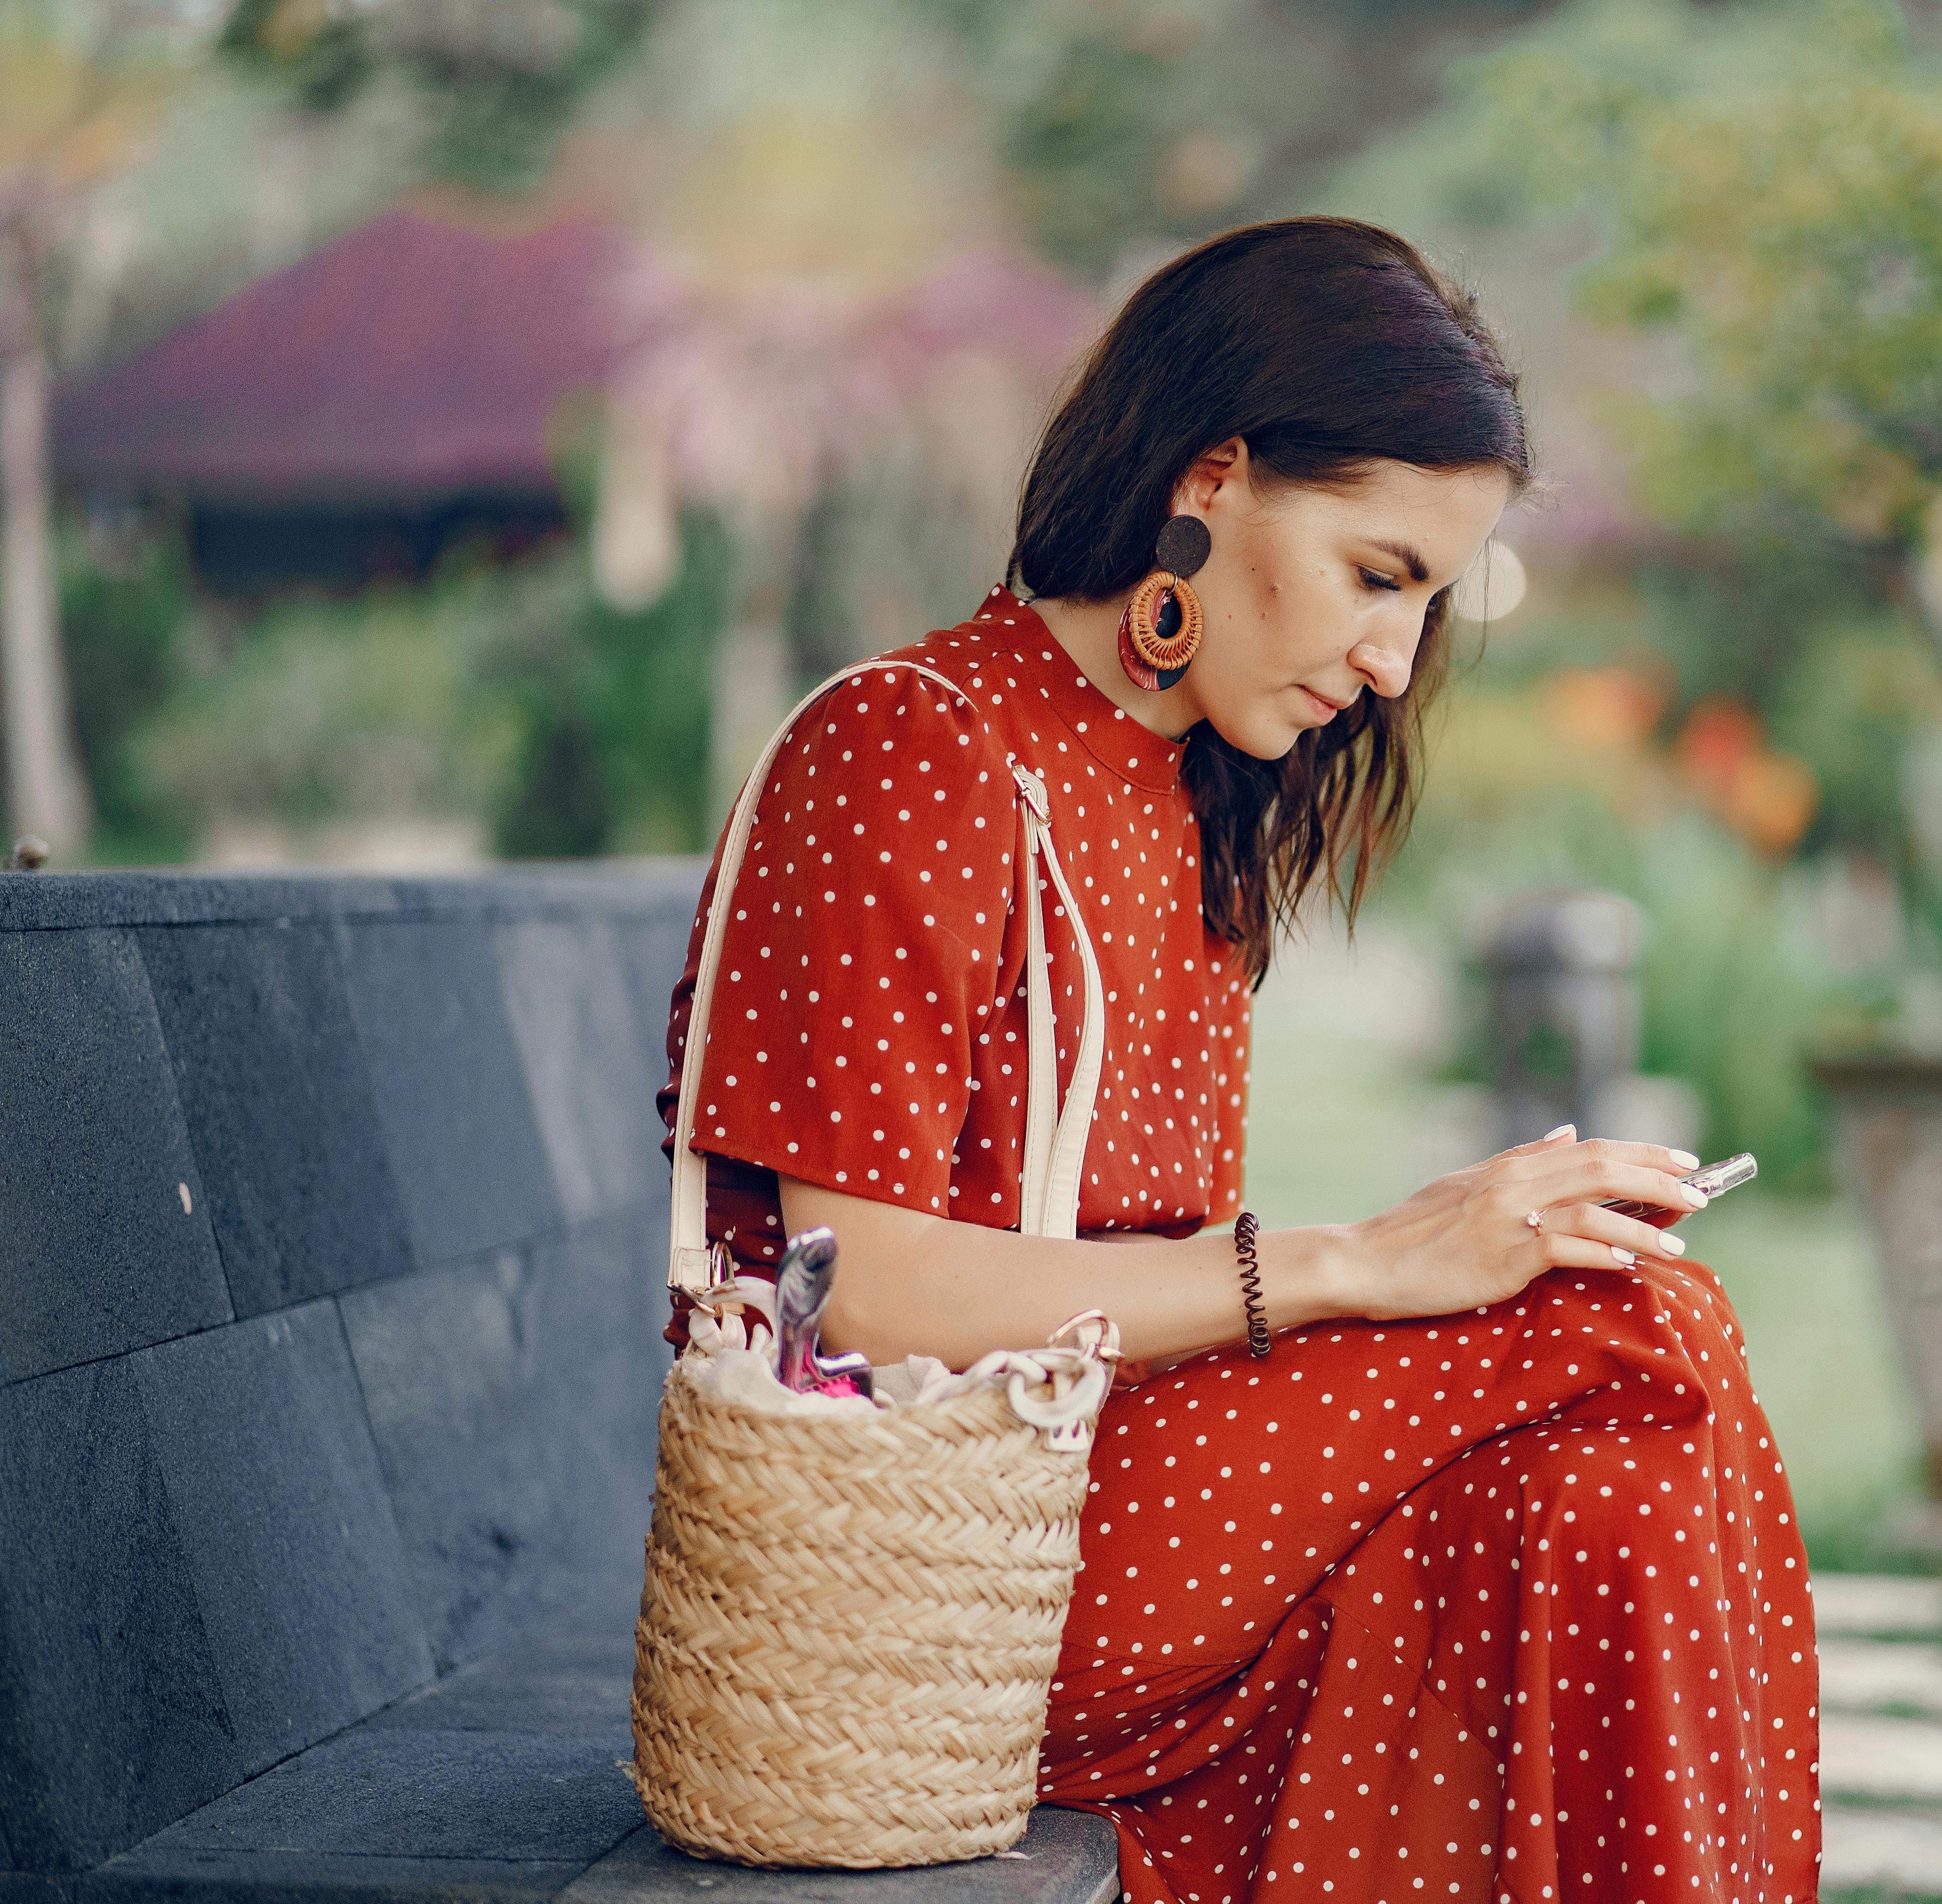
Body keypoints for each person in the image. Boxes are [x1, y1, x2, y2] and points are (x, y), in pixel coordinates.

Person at [656, 215, 1821, 1904]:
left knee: (1600, 1496)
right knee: (1632, 1327)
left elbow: (1160, 1280)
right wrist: (1353, 1265)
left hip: (1129, 1517)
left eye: (1429, 603)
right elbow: (856, 1295)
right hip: (947, 1568)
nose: (1393, 665)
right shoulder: (912, 747)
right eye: (1378, 576)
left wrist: (1396, 1267)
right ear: (1207, 484)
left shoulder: (1182, 793)